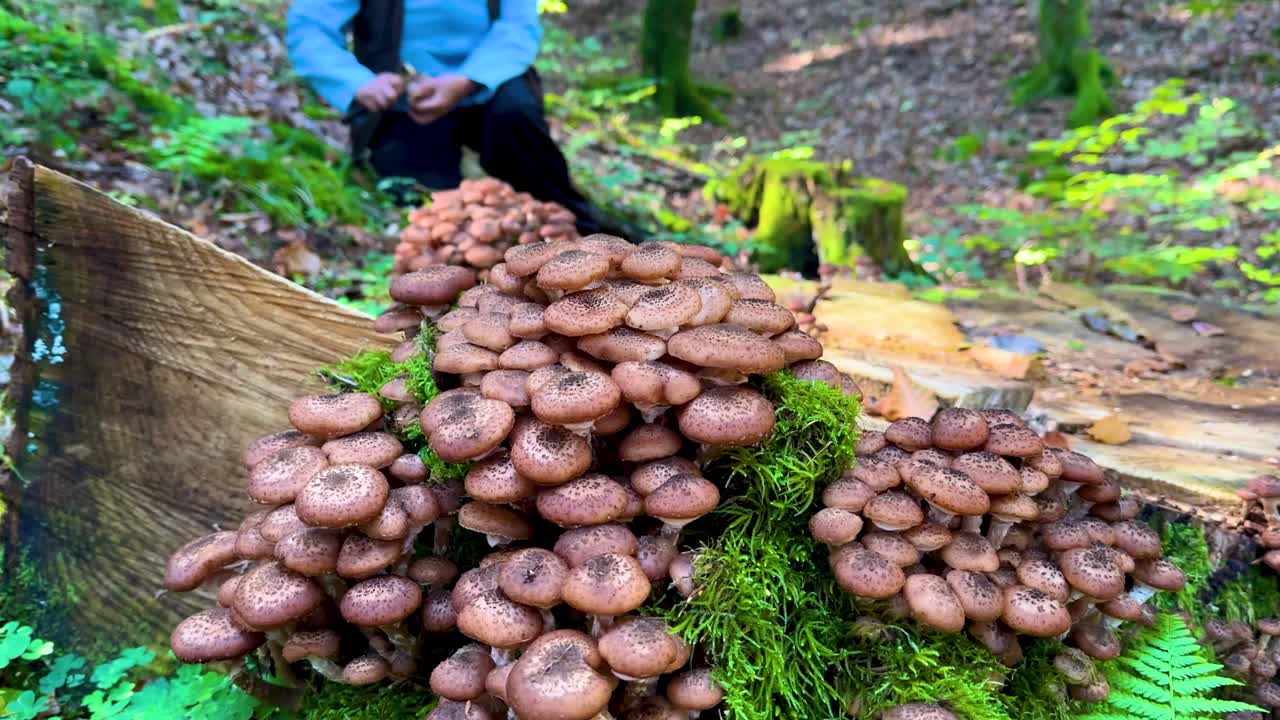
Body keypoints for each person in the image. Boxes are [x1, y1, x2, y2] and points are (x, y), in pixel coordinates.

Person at [286, 0, 639, 238]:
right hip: (403, 97)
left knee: (518, 125)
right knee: (425, 211)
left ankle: (585, 233)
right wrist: (358, 82)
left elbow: (518, 26)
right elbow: (309, 27)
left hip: (492, 81)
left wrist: (467, 80)